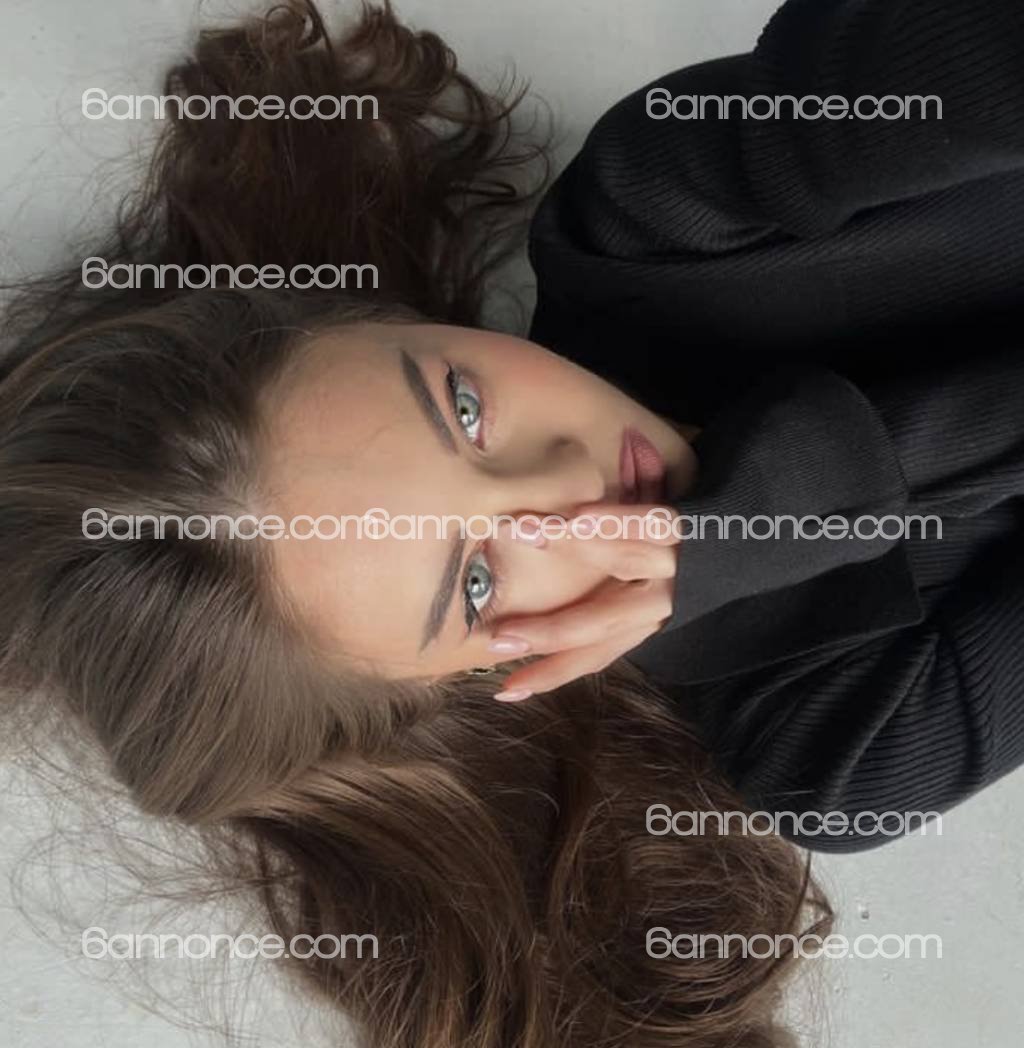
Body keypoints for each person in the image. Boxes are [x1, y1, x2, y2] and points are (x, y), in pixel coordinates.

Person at [0, 0, 1020, 1044]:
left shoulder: (656, 206)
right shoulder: (835, 749)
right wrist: (774, 513)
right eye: (476, 579)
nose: (565, 483)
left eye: (464, 407)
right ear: (449, 688)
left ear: (394, 319)